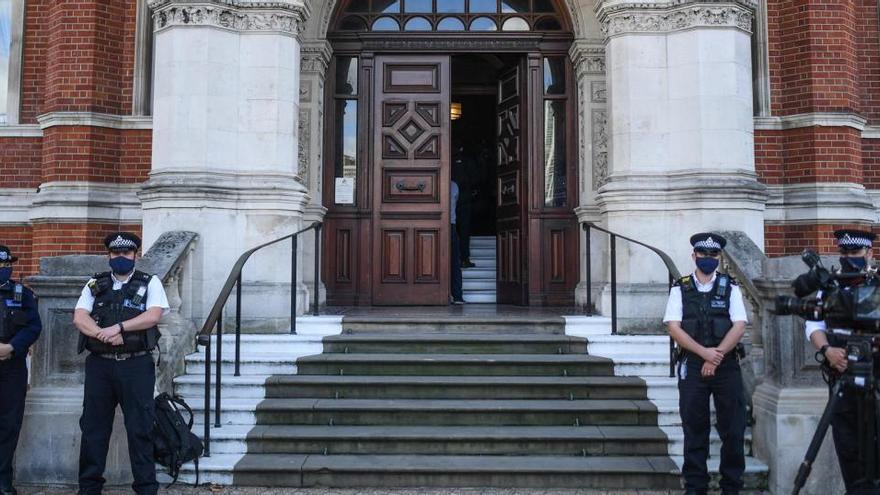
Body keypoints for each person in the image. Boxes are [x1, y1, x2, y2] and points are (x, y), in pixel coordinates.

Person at [73, 232, 169, 495]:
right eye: (116, 254)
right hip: (100, 366)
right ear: (109, 255)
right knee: (93, 429)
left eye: (126, 254)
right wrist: (102, 334)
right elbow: (80, 317)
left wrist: (119, 328)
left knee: (140, 429)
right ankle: (89, 488)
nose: (121, 258)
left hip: (135, 365)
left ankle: (146, 488)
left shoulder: (150, 283)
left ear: (135, 255)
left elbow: (153, 315)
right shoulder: (96, 283)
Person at [663, 233, 748, 495]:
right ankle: (695, 487)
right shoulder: (680, 288)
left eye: (713, 255)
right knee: (694, 429)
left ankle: (731, 487)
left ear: (719, 258)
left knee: (733, 431)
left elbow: (740, 325)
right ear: (694, 256)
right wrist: (704, 353)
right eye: (703, 254)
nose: (708, 259)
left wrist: (717, 355)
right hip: (692, 364)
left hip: (726, 366)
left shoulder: (730, 287)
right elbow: (673, 328)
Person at [804, 229, 879, 493]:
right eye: (844, 252)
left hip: (875, 379)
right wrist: (827, 350)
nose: (849, 258)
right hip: (842, 380)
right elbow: (813, 325)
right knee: (847, 448)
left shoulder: (877, 285)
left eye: (855, 253)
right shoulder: (831, 287)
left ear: (869, 253)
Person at [0, 246, 42, 495]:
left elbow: (34, 326)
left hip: (11, 365)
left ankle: (3, 479)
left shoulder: (22, 294)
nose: (3, 270)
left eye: (6, 266)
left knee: (8, 424)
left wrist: (12, 347)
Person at [452, 144, 476, 268]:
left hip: (450, 199)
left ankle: (453, 259)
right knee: (464, 231)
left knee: (452, 230)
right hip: (465, 199)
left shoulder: (449, 161)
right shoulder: (469, 161)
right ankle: (464, 259)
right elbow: (476, 178)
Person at [450, 180, 464, 304]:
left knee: (454, 262)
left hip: (450, 225)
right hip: (450, 225)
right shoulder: (454, 185)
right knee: (454, 262)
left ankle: (456, 295)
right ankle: (457, 296)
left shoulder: (454, 185)